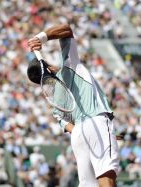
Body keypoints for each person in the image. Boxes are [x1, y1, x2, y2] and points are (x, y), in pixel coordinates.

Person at [27, 24, 119, 187]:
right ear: (48, 67)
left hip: (78, 135)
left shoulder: (54, 101)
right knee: (106, 175)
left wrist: (89, 133)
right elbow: (66, 30)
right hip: (96, 121)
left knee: (87, 184)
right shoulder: (70, 66)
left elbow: (69, 127)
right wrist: (41, 37)